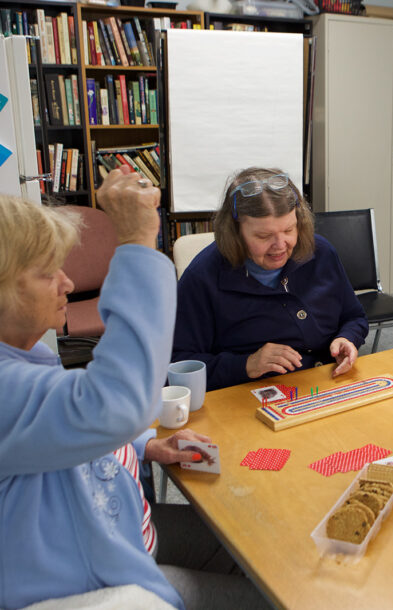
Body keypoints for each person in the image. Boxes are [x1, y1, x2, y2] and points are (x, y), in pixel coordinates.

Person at [0, 169, 268, 609]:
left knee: (255, 544)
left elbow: (57, 424)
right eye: (49, 273)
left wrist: (143, 443)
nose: (67, 284)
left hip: (121, 535)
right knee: (267, 595)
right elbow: (113, 404)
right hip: (97, 583)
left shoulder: (28, 359)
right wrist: (137, 241)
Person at [172, 168, 368, 391]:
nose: (281, 245)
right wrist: (246, 365)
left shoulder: (321, 252)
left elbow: (354, 316)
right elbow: (178, 366)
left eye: (289, 230)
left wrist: (347, 338)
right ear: (235, 233)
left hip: (328, 385)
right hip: (249, 400)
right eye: (264, 236)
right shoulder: (203, 277)